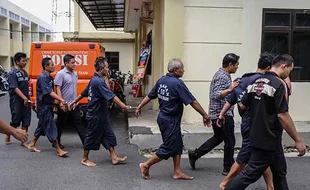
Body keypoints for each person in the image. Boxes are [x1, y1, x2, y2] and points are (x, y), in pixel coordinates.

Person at [225, 54, 306, 190]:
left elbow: (243, 106)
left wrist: (258, 113)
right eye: (289, 71)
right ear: (283, 66)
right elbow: (282, 115)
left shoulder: (256, 82)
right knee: (250, 173)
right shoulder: (279, 84)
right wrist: (297, 140)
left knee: (280, 172)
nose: (288, 75)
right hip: (269, 137)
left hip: (259, 134)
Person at [136, 58, 211, 180]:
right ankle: (146, 165)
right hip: (169, 120)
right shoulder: (178, 84)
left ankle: (177, 171)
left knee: (177, 145)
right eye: (182, 68)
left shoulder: (162, 80)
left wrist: (140, 106)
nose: (184, 70)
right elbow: (193, 102)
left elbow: (150, 96)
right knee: (169, 146)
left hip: (164, 118)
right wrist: (205, 115)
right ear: (176, 70)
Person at [217, 52, 274, 190]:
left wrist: (221, 114)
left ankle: (270, 186)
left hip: (246, 124)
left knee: (261, 156)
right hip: (255, 125)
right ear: (268, 68)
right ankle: (225, 183)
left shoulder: (241, 80)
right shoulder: (263, 82)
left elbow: (231, 100)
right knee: (244, 157)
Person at [70, 57, 129, 167]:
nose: (108, 69)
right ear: (101, 68)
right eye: (107, 67)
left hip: (102, 115)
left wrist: (74, 102)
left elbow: (83, 93)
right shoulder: (97, 81)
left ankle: (114, 156)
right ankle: (84, 158)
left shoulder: (95, 79)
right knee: (91, 136)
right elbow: (111, 95)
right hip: (95, 115)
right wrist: (123, 105)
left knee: (108, 135)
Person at [188, 53, 240, 175]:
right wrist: (230, 89)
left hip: (218, 113)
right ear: (230, 64)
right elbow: (215, 95)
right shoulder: (222, 76)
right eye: (236, 65)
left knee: (219, 138)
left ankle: (195, 154)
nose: (237, 67)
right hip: (221, 115)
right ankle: (228, 167)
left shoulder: (223, 75)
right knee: (230, 141)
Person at [27, 57, 68, 157]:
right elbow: (49, 92)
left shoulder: (49, 77)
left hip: (47, 106)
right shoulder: (43, 77)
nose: (54, 66)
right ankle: (58, 150)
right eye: (52, 65)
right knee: (51, 127)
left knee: (42, 126)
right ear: (46, 66)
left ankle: (32, 144)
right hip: (44, 107)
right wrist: (61, 99)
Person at [55, 54, 86, 149]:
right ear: (66, 63)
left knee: (78, 122)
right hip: (64, 104)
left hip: (73, 103)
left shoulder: (74, 73)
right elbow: (58, 88)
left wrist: (75, 101)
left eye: (74, 62)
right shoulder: (61, 74)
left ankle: (86, 142)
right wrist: (61, 102)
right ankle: (56, 142)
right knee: (61, 124)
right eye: (72, 63)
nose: (74, 64)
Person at [6, 52, 31, 147]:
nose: (25, 62)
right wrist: (24, 98)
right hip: (16, 100)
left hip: (26, 99)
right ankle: (8, 135)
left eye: (26, 61)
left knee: (26, 120)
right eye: (23, 61)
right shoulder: (12, 74)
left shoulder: (25, 73)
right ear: (17, 62)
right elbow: (15, 88)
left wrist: (28, 98)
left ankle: (23, 140)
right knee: (16, 120)